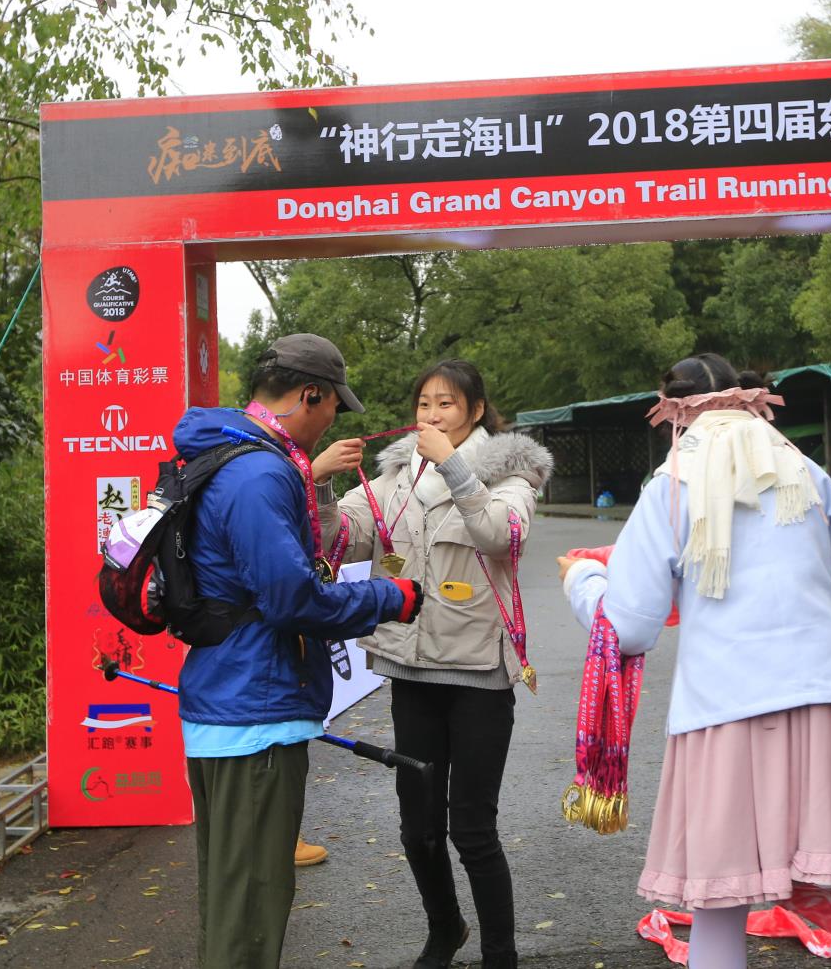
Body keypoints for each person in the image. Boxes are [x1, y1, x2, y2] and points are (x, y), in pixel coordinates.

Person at [558, 352, 831, 969]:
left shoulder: (670, 484)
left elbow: (630, 627)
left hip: (726, 706)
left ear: (672, 412)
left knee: (720, 900)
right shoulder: (805, 470)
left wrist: (584, 580)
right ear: (747, 398)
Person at [172, 333, 425, 969]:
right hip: (253, 713)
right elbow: (291, 599)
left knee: (232, 904)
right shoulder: (259, 472)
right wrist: (388, 597)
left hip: (229, 700)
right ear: (310, 394)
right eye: (334, 403)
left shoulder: (230, 453)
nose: (334, 417)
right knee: (249, 916)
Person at [339, 360, 552, 969]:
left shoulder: (513, 476)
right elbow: (343, 537)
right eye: (424, 404)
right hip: (410, 671)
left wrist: (455, 467)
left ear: (475, 411)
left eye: (447, 404)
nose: (431, 416)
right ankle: (444, 929)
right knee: (418, 828)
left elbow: (501, 536)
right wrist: (318, 482)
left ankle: (500, 953)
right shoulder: (394, 476)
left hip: (479, 675)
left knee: (473, 829)